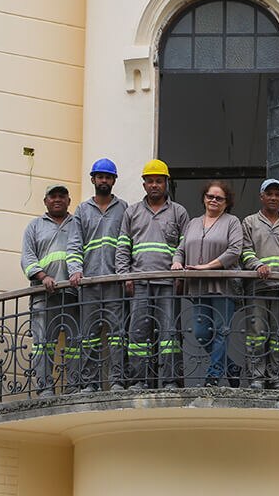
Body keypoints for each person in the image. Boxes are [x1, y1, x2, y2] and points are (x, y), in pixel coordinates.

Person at [115, 159, 190, 389]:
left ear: (166, 183)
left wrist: (180, 277)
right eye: (150, 181)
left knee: (169, 335)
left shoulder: (178, 212)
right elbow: (122, 247)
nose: (155, 185)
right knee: (138, 334)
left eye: (159, 181)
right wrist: (125, 275)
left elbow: (185, 246)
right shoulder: (132, 212)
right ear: (144, 184)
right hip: (139, 283)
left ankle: (170, 381)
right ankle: (140, 380)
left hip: (167, 283)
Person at [173, 180, 243, 386]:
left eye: (219, 198)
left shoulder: (232, 222)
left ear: (226, 202)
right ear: (204, 198)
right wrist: (177, 262)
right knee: (201, 333)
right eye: (210, 196)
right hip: (198, 287)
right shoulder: (193, 223)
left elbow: (234, 251)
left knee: (221, 331)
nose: (213, 200)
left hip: (222, 286)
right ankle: (231, 366)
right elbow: (181, 249)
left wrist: (207, 267)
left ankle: (213, 376)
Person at [67, 158, 129, 392]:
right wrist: (76, 271)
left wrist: (125, 275)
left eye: (108, 177)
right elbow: (74, 244)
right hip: (89, 283)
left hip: (115, 283)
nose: (104, 180)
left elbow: (128, 244)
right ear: (93, 179)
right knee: (89, 335)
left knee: (117, 335)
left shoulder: (124, 208)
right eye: (100, 176)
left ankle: (116, 380)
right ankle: (89, 382)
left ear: (114, 180)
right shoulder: (82, 210)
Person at [241, 179, 279, 390]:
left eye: (277, 194)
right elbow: (245, 250)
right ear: (262, 196)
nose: (274, 198)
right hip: (258, 287)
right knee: (257, 333)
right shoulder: (250, 222)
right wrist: (257, 264)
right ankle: (257, 377)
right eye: (269, 194)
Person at [20, 183, 81, 397]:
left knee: (75, 342)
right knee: (43, 343)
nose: (57, 200)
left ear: (68, 201)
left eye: (62, 196)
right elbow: (27, 258)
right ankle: (45, 387)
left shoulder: (77, 223)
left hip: (74, 294)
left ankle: (73, 386)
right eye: (53, 196)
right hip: (43, 296)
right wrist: (43, 276)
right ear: (45, 201)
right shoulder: (34, 226)